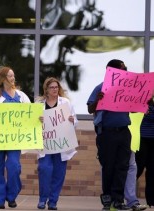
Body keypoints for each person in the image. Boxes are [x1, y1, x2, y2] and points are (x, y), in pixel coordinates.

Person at [0, 66, 31, 209]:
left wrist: (38, 119)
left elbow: (30, 114)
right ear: (2, 79)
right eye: (10, 76)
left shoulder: (21, 96)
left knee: (14, 166)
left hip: (14, 140)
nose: (13, 78)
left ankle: (11, 195)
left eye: (13, 76)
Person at [87, 59, 131, 211]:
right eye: (122, 68)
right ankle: (107, 200)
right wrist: (98, 100)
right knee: (108, 167)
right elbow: (90, 109)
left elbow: (134, 108)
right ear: (111, 71)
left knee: (122, 167)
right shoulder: (100, 87)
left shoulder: (127, 88)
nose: (125, 70)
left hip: (124, 132)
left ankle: (118, 200)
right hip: (107, 134)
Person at [35, 77, 78, 210]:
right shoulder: (39, 104)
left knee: (59, 174)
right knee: (44, 170)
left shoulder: (65, 103)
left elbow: (74, 120)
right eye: (52, 87)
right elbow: (31, 123)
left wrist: (72, 120)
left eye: (56, 87)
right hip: (46, 144)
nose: (55, 89)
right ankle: (42, 199)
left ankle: (53, 201)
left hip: (61, 144)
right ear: (46, 90)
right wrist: (38, 119)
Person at [136, 97, 154, 207]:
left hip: (153, 139)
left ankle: (151, 200)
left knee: (152, 170)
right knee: (137, 168)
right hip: (141, 138)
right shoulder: (140, 98)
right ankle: (128, 197)